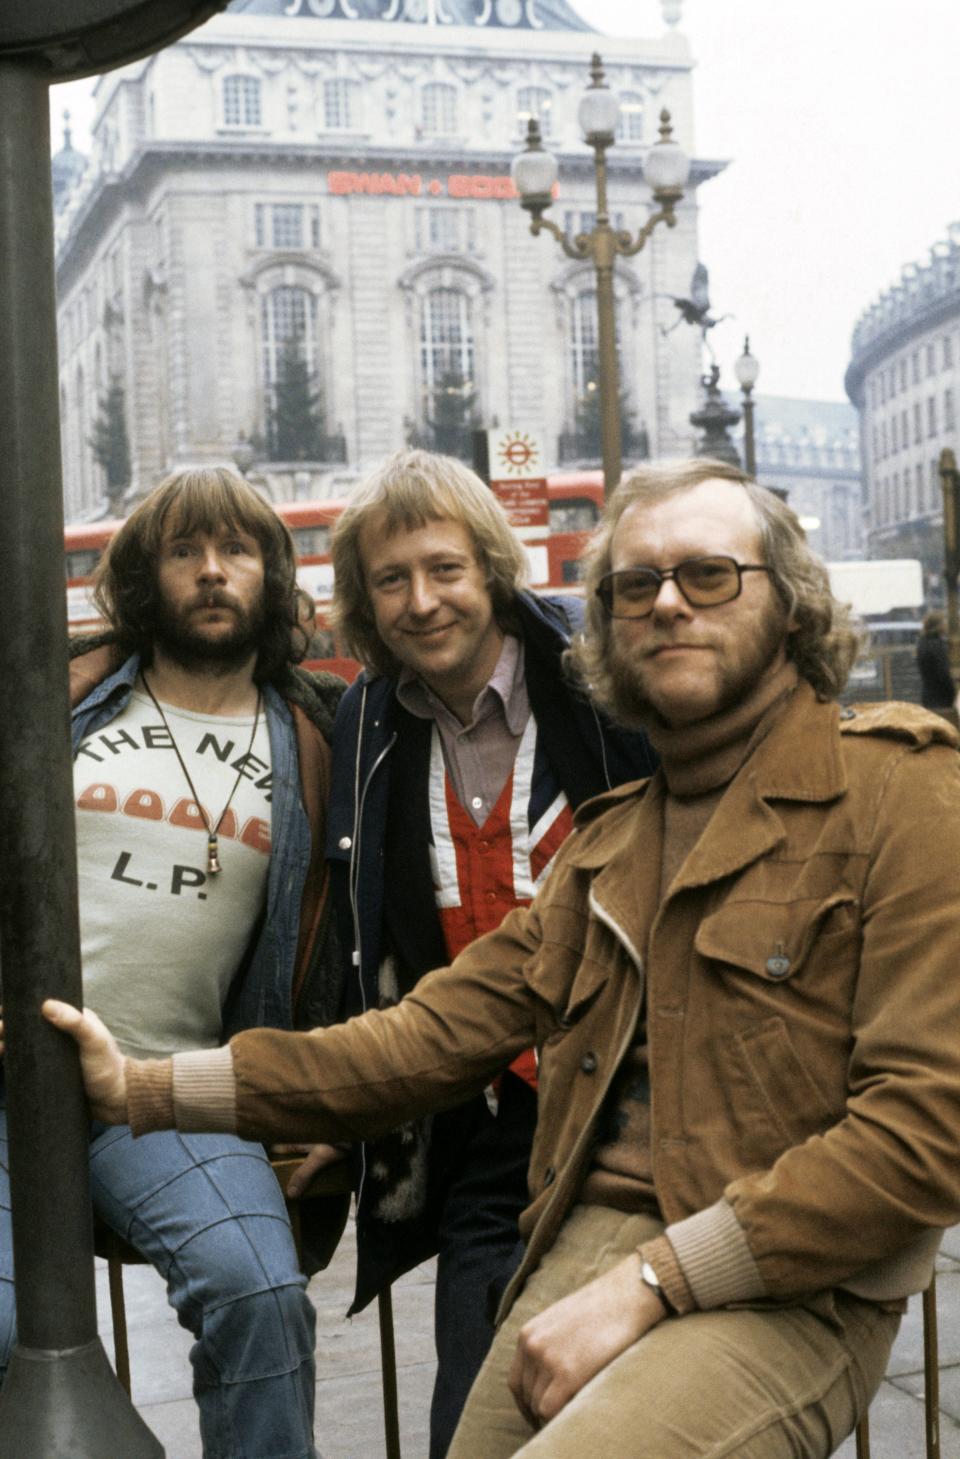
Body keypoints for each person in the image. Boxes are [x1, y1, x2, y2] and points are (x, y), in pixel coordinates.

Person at [34, 458, 960, 1459]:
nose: (667, 606)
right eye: (634, 586)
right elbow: (420, 1038)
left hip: (790, 1274)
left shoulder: (902, 793)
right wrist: (140, 1087)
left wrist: (656, 1282)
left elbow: (926, 1128)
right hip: (581, 1226)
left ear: (790, 604)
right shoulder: (607, 847)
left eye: (708, 575)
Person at [316, 448, 656, 1457]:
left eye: (445, 569)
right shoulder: (366, 719)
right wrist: (345, 1105)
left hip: (640, 1105)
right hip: (494, 1129)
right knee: (472, 1419)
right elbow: (361, 930)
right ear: (365, 602)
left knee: (633, 1411)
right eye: (392, 579)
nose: (422, 602)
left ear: (492, 567)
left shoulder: (597, 677)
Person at [0, 466, 344, 1459]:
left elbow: (358, 938)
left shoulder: (313, 737)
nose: (209, 572)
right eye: (183, 550)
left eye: (235, 551)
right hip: (11, 1083)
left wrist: (324, 1106)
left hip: (163, 1088)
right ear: (149, 576)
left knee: (262, 1295)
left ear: (271, 576)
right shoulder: (59, 689)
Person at [916, 609, 957, 716]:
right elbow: (943, 674)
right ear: (938, 626)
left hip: (928, 696)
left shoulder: (922, 643)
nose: (947, 625)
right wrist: (953, 694)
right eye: (944, 622)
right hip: (941, 699)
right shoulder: (937, 646)